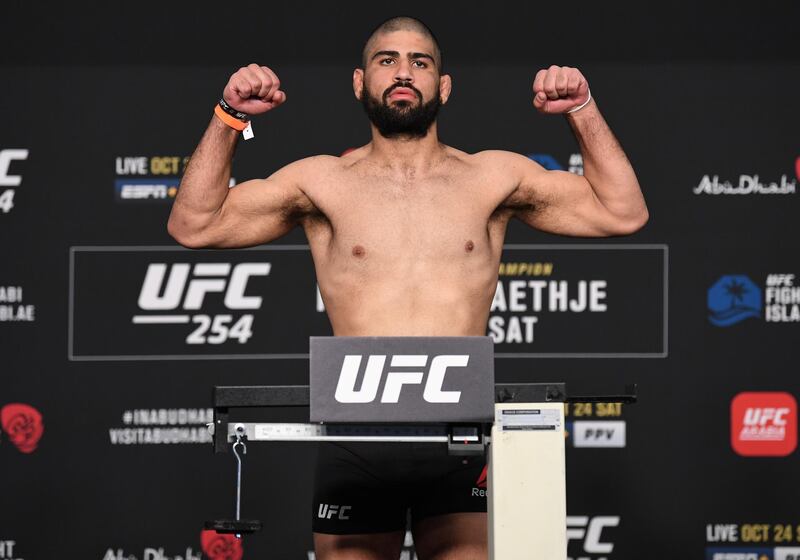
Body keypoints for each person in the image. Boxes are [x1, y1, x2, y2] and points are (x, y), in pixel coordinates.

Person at [168, 15, 648, 560]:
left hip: (460, 437)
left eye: (420, 62)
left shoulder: (492, 178)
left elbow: (622, 211)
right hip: (355, 438)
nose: (403, 72)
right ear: (359, 82)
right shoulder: (320, 183)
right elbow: (194, 225)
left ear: (442, 86)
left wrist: (582, 111)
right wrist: (228, 116)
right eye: (386, 60)